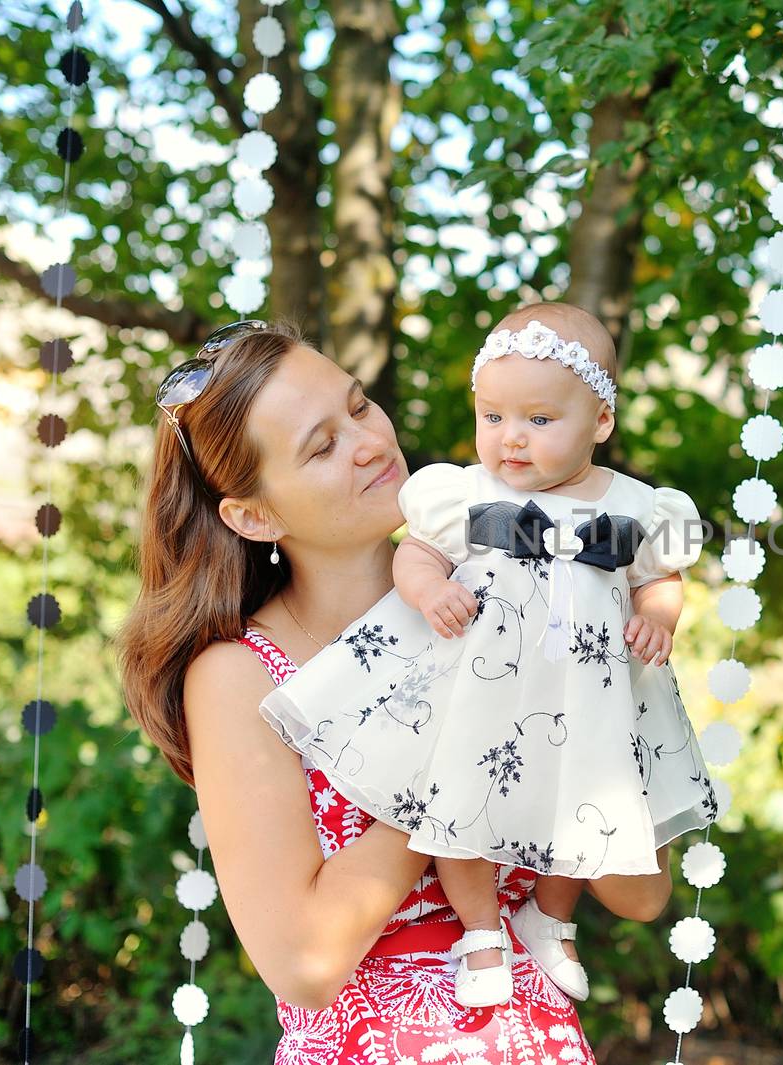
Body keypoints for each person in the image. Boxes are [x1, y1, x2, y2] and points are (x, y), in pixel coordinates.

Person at [116, 319, 671, 1062]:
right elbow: (305, 962)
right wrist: (468, 732)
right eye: (322, 445)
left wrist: (601, 680)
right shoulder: (240, 672)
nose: (371, 440)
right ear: (255, 515)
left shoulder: (512, 595)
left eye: (359, 406)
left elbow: (642, 897)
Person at [256, 303, 720, 1009]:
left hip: (583, 701)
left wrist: (657, 616)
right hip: (483, 700)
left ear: (600, 422)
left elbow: (660, 577)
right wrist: (428, 588)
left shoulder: (637, 507)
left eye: (539, 420)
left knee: (587, 810)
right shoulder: (466, 494)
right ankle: (483, 934)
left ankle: (549, 916)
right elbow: (420, 554)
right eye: (494, 417)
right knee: (458, 810)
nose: (511, 439)